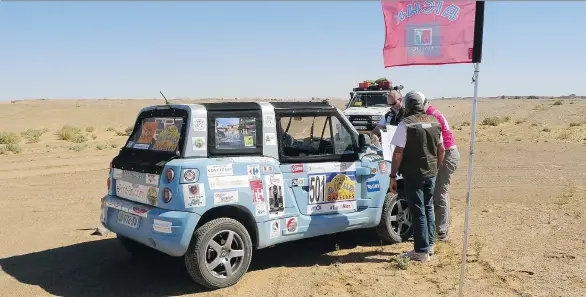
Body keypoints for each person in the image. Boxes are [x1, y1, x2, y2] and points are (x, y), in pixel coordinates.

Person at [389, 90, 445, 262]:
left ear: (407, 105)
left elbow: (398, 153)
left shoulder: (406, 124)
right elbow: (441, 149)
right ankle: (429, 245)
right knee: (427, 207)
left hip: (413, 174)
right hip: (431, 172)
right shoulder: (435, 122)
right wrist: (436, 166)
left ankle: (420, 251)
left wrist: (392, 176)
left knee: (418, 209)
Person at [422, 98, 460, 241]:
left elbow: (441, 147)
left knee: (439, 192)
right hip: (442, 153)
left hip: (446, 154)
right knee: (437, 192)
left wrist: (437, 164)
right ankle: (438, 226)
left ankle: (442, 232)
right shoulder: (430, 112)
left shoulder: (431, 116)